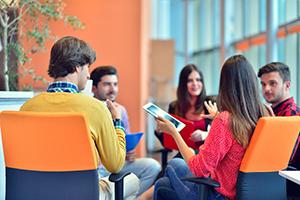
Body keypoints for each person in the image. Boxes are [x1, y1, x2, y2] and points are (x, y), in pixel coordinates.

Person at [20, 36, 139, 200]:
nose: (89, 75)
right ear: (77, 68)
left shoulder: (27, 108)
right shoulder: (95, 108)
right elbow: (116, 164)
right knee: (133, 181)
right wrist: (117, 122)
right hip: (83, 193)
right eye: (87, 67)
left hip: (37, 192)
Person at [153, 55, 269, 200]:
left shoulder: (225, 120)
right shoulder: (263, 113)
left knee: (174, 164)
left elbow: (199, 169)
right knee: (162, 185)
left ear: (225, 84)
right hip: (245, 193)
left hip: (217, 193)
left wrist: (174, 132)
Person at [90, 66, 161, 197]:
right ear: (94, 88)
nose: (112, 89)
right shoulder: (89, 109)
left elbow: (126, 138)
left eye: (115, 84)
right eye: (107, 84)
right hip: (97, 167)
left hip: (119, 163)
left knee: (153, 166)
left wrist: (129, 152)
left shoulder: (121, 110)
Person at [258, 62, 300, 198]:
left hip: (283, 183)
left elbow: (283, 159)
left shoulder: (292, 115)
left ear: (287, 85)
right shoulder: (272, 112)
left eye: (272, 83)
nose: (266, 89)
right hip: (271, 179)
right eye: (263, 84)